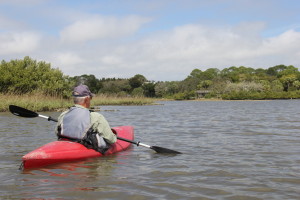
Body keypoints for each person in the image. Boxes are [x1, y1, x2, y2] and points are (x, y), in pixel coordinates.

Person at [55, 84, 117, 154]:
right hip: (82, 148)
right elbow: (112, 140)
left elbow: (56, 132)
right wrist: (114, 136)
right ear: (87, 99)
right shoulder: (96, 117)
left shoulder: (63, 114)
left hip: (65, 145)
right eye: (91, 98)